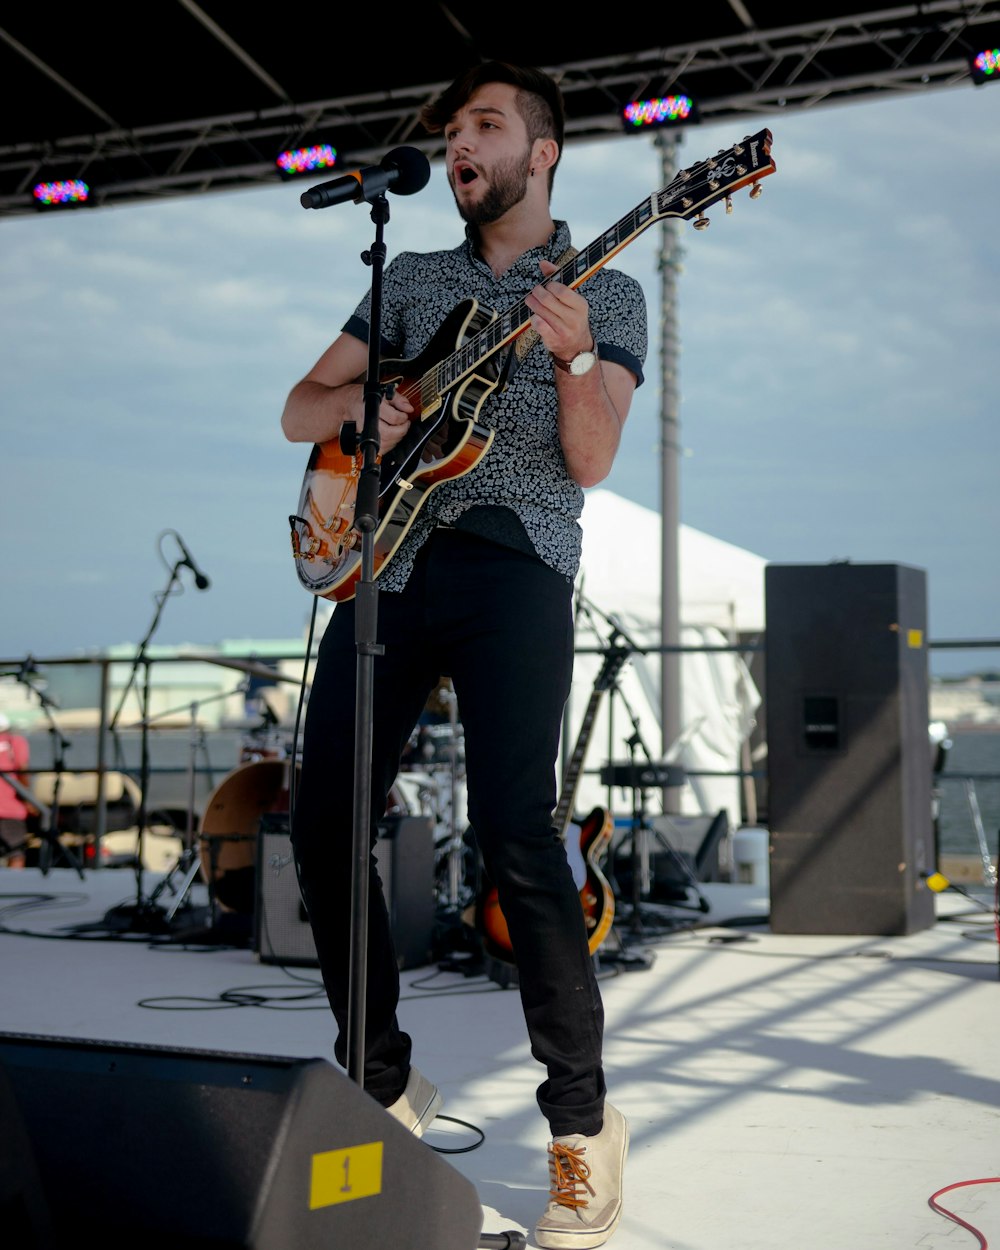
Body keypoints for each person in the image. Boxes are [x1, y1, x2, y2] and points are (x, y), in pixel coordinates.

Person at [281, 60, 647, 1249]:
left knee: (515, 831)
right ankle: (379, 1077)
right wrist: (367, 410)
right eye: (451, 131)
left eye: (483, 126)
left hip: (516, 563)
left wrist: (576, 358)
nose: (458, 146)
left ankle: (583, 1130)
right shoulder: (413, 281)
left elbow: (587, 463)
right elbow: (300, 406)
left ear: (541, 153)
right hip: (386, 560)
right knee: (322, 808)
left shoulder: (609, 291)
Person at [0, 712, 31, 868]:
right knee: (16, 854)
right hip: (11, 809)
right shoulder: (15, 742)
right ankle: (15, 886)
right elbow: (23, 772)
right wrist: (30, 800)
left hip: (9, 808)